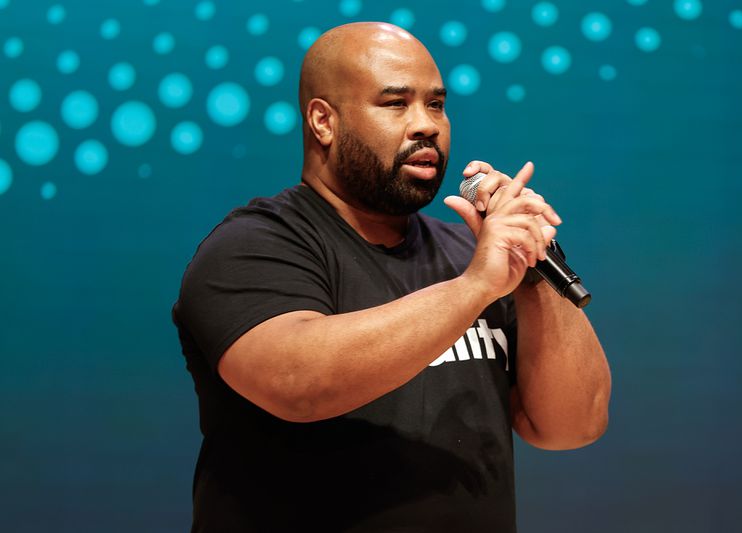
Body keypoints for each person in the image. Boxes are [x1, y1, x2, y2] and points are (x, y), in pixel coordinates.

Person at [173, 22, 611, 533]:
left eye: (437, 105)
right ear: (323, 122)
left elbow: (572, 426)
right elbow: (298, 385)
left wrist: (532, 264)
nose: (427, 125)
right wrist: (476, 288)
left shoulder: (473, 258)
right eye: (396, 104)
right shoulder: (254, 246)